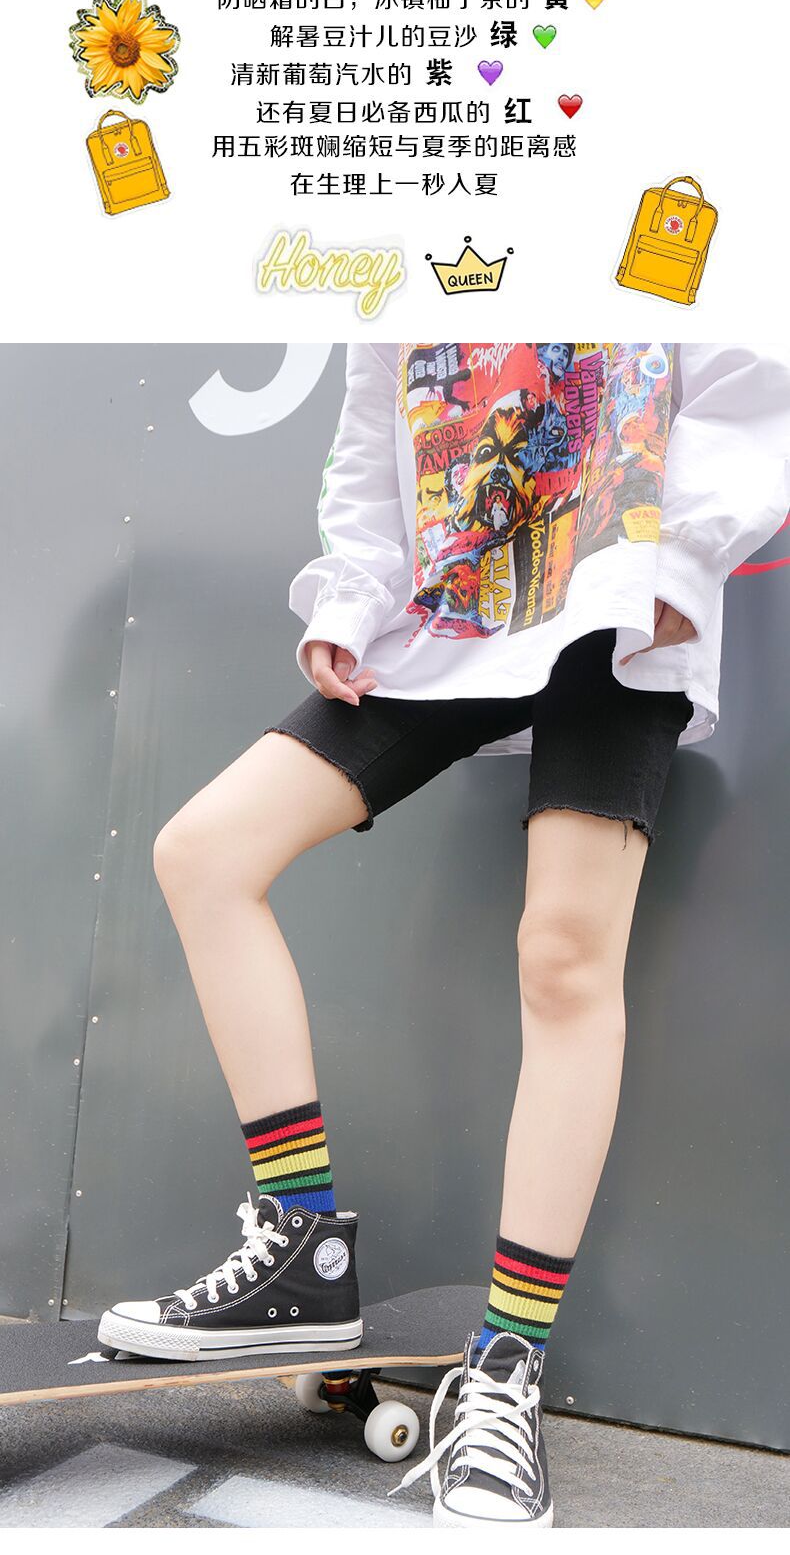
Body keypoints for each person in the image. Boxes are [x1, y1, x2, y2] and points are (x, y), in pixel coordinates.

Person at [99, 342, 790, 1528]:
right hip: (452, 613)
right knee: (204, 853)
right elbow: (377, 443)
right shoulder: (415, 254)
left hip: (616, 595)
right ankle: (302, 1251)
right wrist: (352, 598)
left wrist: (685, 553)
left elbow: (744, 377)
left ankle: (507, 1361)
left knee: (563, 958)